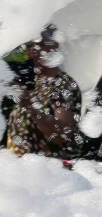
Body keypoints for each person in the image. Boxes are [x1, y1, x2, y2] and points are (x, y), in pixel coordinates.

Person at [7, 25, 84, 160]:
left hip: (47, 168)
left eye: (40, 43)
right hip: (23, 167)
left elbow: (63, 136)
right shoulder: (36, 84)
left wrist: (29, 105)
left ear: (55, 44)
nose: (34, 49)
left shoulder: (62, 85)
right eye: (30, 45)